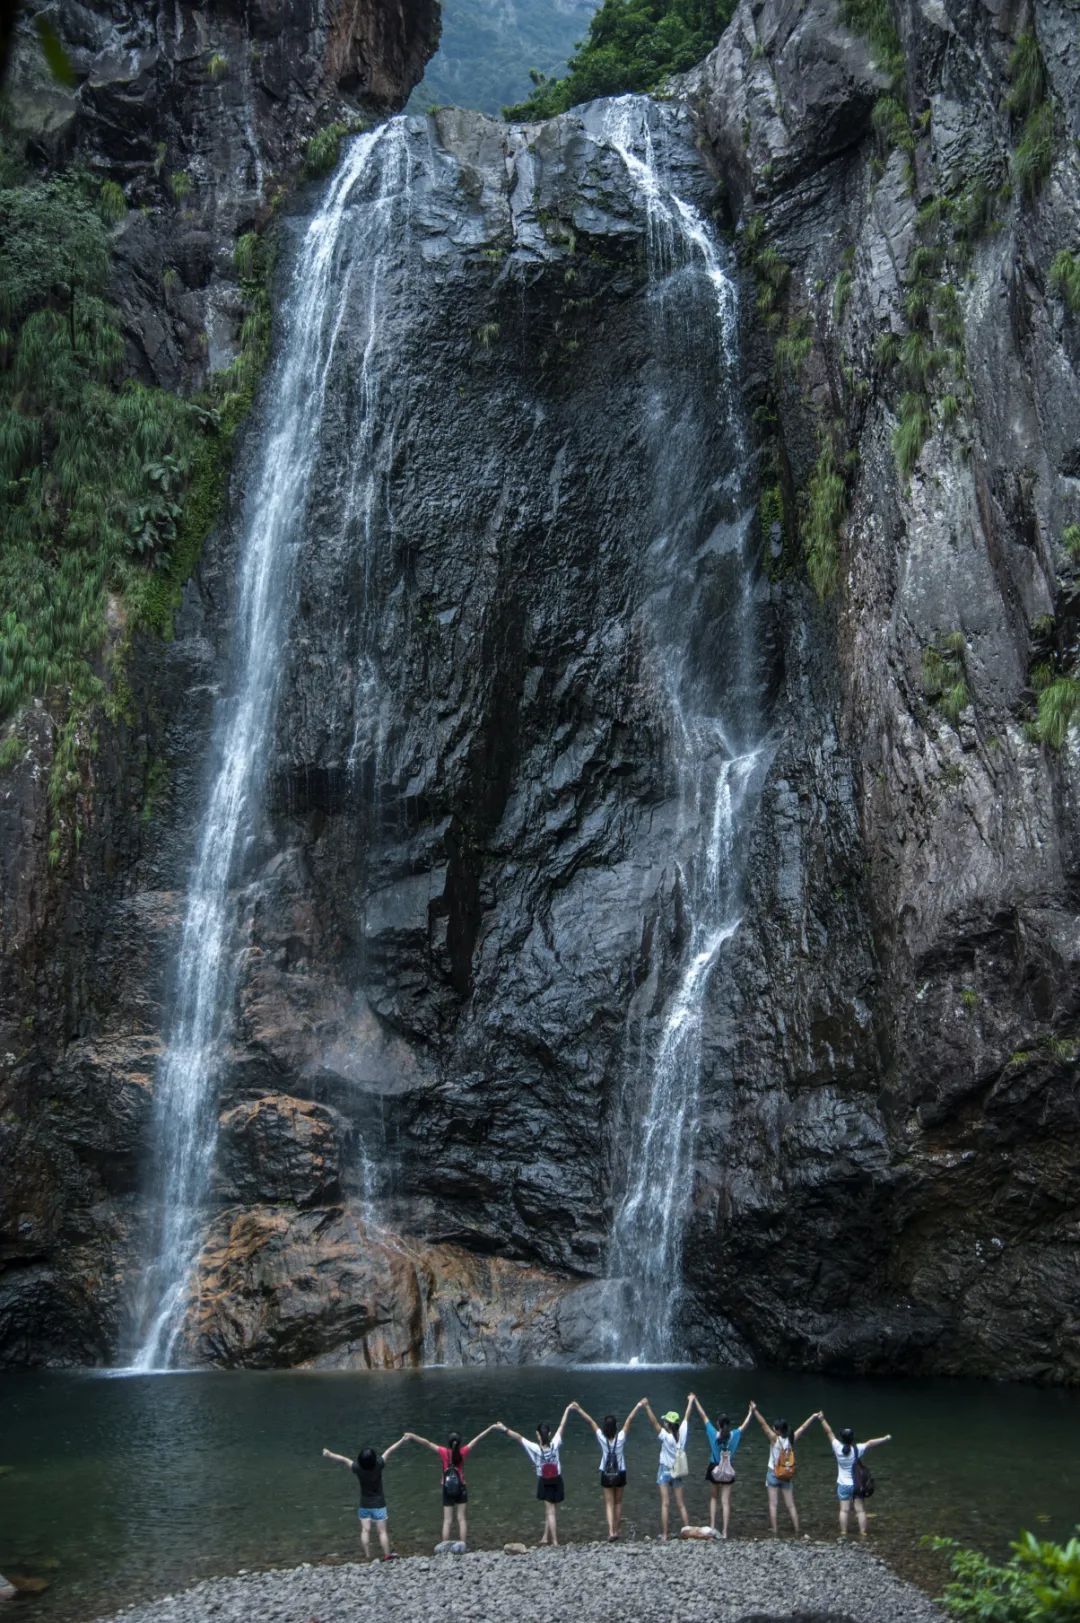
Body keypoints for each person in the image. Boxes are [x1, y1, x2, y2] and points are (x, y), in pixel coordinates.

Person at [399, 1423, 501, 1547]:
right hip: (461, 1487)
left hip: (447, 1488)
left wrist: (412, 1435)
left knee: (447, 1520)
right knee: (461, 1518)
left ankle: (445, 1546)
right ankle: (462, 1545)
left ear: (449, 1442)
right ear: (460, 1442)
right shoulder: (463, 1451)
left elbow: (426, 1442)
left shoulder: (443, 1452)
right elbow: (478, 1438)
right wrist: (491, 1428)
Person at [566, 1397, 648, 1539]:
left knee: (609, 1503)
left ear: (604, 1427)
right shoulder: (621, 1437)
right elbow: (629, 1419)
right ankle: (617, 1530)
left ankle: (610, 1531)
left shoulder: (602, 1438)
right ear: (616, 1427)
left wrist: (578, 1409)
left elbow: (590, 1421)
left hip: (606, 1473)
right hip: (620, 1472)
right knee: (618, 1502)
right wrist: (639, 1405)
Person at [321, 1435, 406, 1560]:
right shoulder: (379, 1465)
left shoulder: (357, 1468)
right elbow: (390, 1450)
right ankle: (387, 1555)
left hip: (364, 1505)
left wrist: (329, 1454)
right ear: (374, 1460)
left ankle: (367, 1555)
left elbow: (344, 1459)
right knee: (382, 1532)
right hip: (379, 1505)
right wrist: (402, 1440)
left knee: (365, 1530)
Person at [498, 1406, 573, 1546]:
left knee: (550, 1511)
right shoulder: (555, 1443)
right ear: (549, 1433)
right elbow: (562, 1425)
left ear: (537, 1434)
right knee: (552, 1510)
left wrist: (504, 1428)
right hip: (557, 1479)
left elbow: (518, 1437)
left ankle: (555, 1541)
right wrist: (567, 1410)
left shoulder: (535, 1447)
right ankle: (546, 1536)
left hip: (544, 1481)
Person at [749, 1401, 820, 1535]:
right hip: (787, 1474)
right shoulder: (791, 1439)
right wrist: (813, 1416)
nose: (772, 1429)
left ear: (777, 1430)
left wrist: (754, 1410)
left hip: (773, 1473)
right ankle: (797, 1530)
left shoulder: (774, 1439)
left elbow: (762, 1424)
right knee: (791, 1504)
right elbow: (804, 1427)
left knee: (773, 1504)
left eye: (774, 1427)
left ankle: (775, 1530)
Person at [817, 1414, 892, 1535]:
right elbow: (870, 1443)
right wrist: (885, 1438)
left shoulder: (837, 1447)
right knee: (860, 1510)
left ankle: (843, 1531)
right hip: (857, 1485)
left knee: (844, 1510)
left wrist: (822, 1419)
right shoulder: (857, 1449)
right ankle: (863, 1532)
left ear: (842, 1438)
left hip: (843, 1485)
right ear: (852, 1439)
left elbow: (829, 1432)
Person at [690, 1395, 753, 1537]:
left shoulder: (713, 1433)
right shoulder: (734, 1435)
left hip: (714, 1468)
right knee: (725, 1502)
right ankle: (724, 1532)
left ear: (718, 1424)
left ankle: (712, 1527)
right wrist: (751, 1412)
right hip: (728, 1470)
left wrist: (695, 1401)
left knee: (713, 1498)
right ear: (728, 1425)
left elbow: (703, 1415)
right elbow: (744, 1426)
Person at [643, 1393, 694, 1540]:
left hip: (665, 1470)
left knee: (665, 1504)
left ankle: (665, 1535)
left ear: (668, 1424)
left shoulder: (666, 1437)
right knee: (681, 1504)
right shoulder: (682, 1431)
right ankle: (687, 1531)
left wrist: (647, 1407)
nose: (663, 1422)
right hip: (678, 1471)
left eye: (665, 1421)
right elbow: (687, 1416)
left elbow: (654, 1424)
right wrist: (691, 1401)